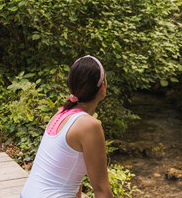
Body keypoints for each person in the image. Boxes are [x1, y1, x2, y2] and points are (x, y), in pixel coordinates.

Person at [21, 55, 113, 198]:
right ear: (102, 87)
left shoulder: (62, 112)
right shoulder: (89, 125)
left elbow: (73, 174)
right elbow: (102, 190)